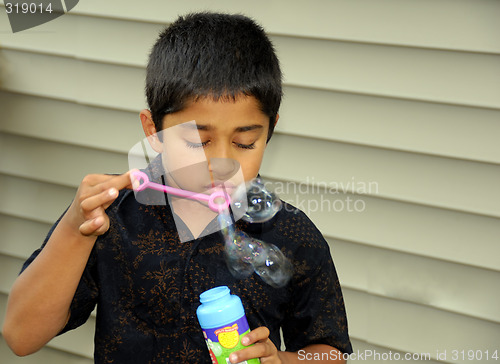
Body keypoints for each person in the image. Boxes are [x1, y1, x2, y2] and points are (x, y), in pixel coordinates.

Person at [3, 12, 352, 363]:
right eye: (198, 141)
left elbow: (330, 353)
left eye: (245, 142)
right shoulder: (112, 219)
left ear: (271, 128)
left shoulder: (290, 233)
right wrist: (75, 231)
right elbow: (21, 336)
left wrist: (282, 360)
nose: (222, 163)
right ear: (153, 129)